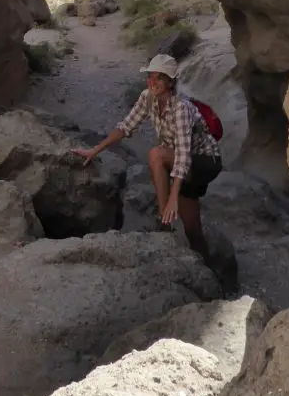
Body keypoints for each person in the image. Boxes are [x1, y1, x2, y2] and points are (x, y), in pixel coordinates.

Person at [74, 53, 222, 262]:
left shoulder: (181, 108)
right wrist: (95, 150)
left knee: (156, 155)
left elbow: (182, 154)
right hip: (184, 162)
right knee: (192, 229)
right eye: (150, 76)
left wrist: (172, 197)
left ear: (170, 82)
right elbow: (126, 126)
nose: (152, 82)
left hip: (205, 161)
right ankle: (207, 267)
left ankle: (164, 223)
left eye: (159, 77)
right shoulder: (147, 97)